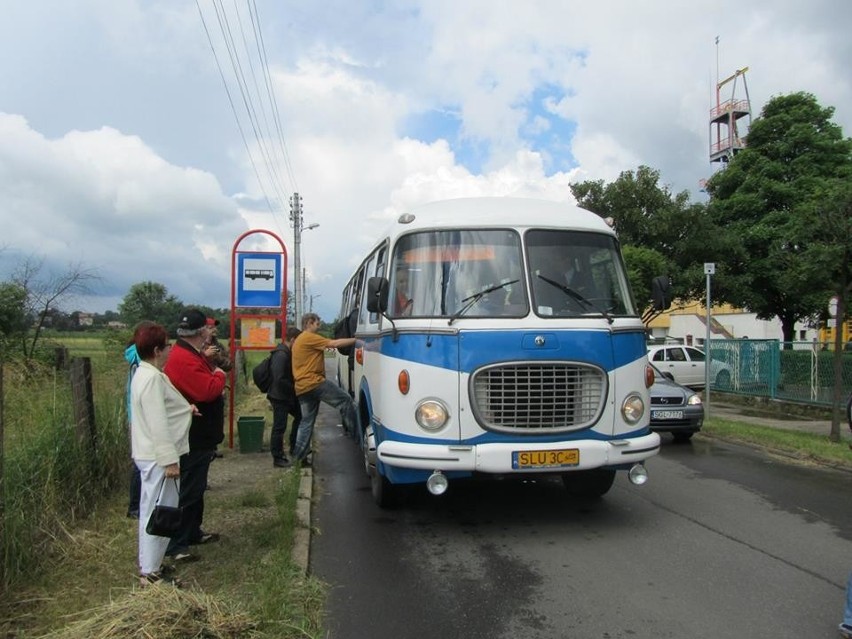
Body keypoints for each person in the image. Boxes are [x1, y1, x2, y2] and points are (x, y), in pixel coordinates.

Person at [130, 322, 193, 586]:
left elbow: (163, 409)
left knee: (150, 511)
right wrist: (169, 460)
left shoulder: (143, 373)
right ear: (156, 350)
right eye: (167, 345)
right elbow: (157, 420)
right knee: (161, 513)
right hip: (159, 457)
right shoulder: (153, 377)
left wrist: (186, 410)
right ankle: (151, 573)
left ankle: (149, 565)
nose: (170, 350)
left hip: (147, 453)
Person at [162, 308, 227, 562]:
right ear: (200, 332)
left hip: (200, 434)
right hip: (193, 436)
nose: (209, 334)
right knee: (188, 490)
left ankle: (192, 532)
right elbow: (207, 390)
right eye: (207, 330)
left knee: (196, 488)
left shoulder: (187, 353)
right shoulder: (184, 358)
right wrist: (219, 375)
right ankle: (176, 544)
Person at [291, 313, 358, 466]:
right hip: (314, 383)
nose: (319, 326)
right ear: (309, 323)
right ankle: (356, 437)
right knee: (345, 401)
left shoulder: (300, 339)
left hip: (302, 386)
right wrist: (357, 339)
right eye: (317, 323)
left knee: (306, 422)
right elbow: (334, 344)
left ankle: (299, 457)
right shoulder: (309, 337)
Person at [125, 320, 157, 519]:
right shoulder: (140, 356)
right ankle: (135, 505)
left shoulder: (134, 355)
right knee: (141, 459)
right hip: (139, 414)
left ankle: (138, 503)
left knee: (141, 459)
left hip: (136, 412)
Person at [267, 326, 303, 468]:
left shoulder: (285, 352)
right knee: (279, 426)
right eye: (298, 341)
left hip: (285, 395)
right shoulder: (281, 354)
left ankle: (294, 447)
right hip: (280, 396)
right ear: (293, 339)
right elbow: (279, 378)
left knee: (300, 416)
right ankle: (278, 457)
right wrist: (295, 388)